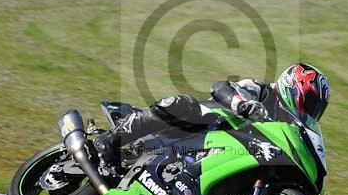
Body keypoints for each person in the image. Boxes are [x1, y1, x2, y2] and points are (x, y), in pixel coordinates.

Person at [93, 63, 331, 166]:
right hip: (204, 123)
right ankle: (112, 139)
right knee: (181, 104)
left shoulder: (287, 126)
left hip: (224, 151)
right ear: (292, 84)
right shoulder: (264, 90)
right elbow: (220, 87)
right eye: (309, 101)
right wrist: (242, 104)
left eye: (315, 107)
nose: (309, 110)